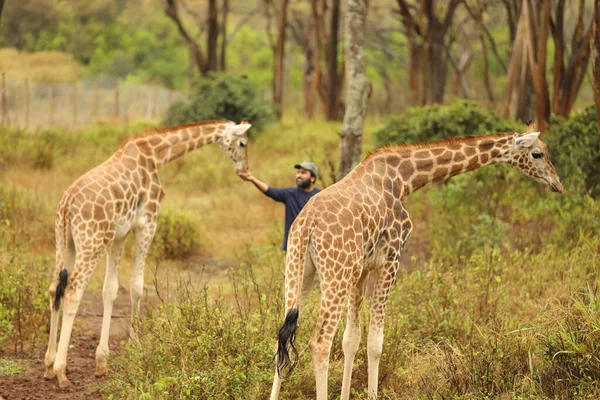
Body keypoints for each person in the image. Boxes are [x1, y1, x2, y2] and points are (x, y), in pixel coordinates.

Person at [239, 162, 321, 251]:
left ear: (312, 178)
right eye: (298, 172)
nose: (299, 175)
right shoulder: (290, 194)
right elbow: (269, 191)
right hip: (292, 246)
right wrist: (252, 179)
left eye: (303, 173)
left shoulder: (320, 197)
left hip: (313, 246)